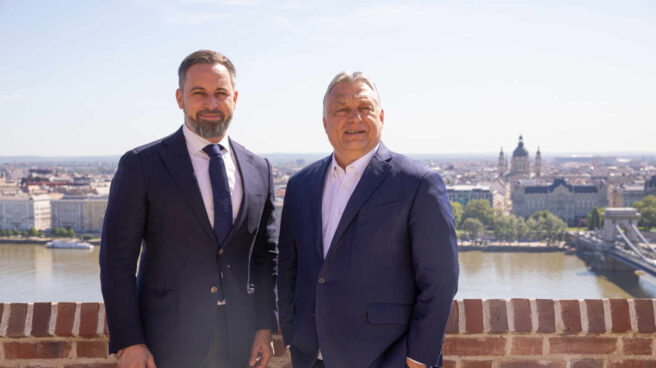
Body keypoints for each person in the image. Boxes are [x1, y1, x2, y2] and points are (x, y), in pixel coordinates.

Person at [100, 50, 277, 368]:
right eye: (199, 93)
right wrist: (129, 342)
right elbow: (116, 262)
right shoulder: (142, 165)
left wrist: (265, 327)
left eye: (220, 93)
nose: (211, 104)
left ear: (234, 98)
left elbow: (265, 257)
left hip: (241, 341)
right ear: (180, 98)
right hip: (166, 342)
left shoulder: (258, 168)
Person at [277, 71, 459, 368]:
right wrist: (292, 332)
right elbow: (288, 268)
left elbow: (440, 280)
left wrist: (418, 357)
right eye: (341, 110)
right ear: (325, 123)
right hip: (312, 356)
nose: (354, 118)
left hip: (388, 358)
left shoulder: (418, 183)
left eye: (365, 108)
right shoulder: (300, 185)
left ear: (382, 117)